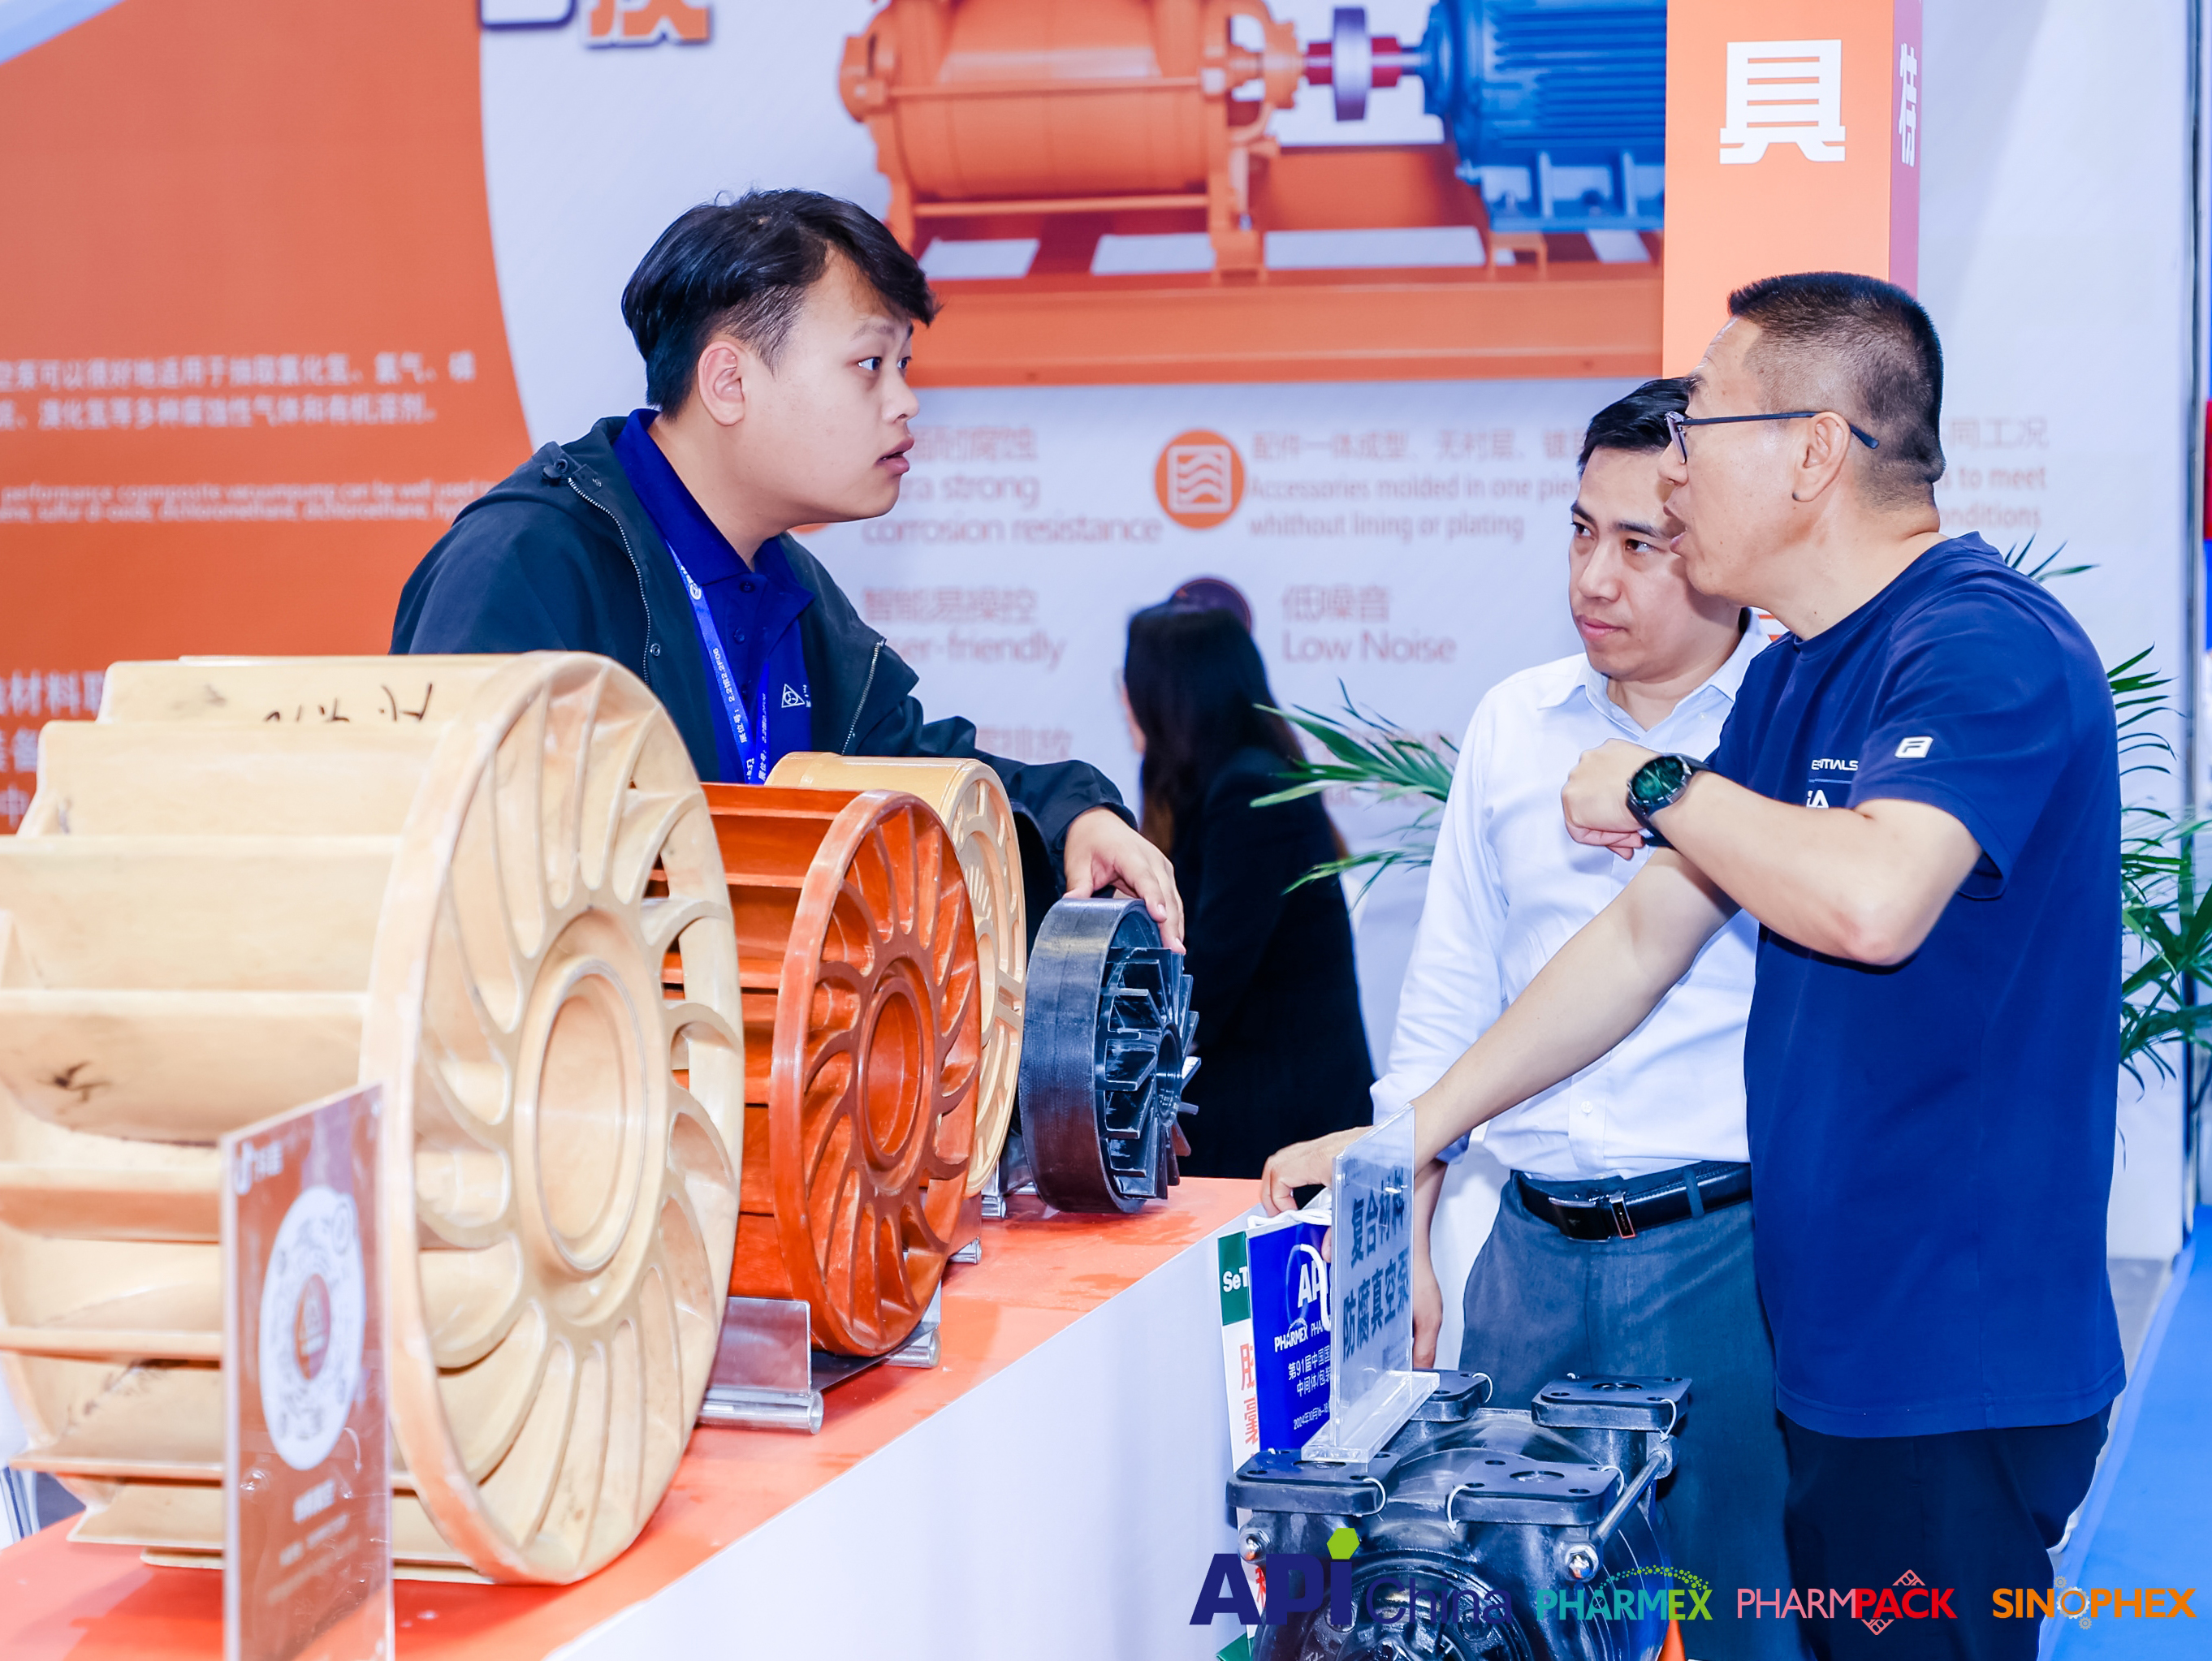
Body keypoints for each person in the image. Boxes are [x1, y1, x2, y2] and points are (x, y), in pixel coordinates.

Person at [1264, 273, 2122, 1661]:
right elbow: (1632, 942)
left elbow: (1873, 898)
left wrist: (1661, 780)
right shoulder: (1794, 676)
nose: (1673, 473)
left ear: (1812, 451)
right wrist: (1404, 1138)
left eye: (1698, 429)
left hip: (1951, 1360)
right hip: (1838, 1343)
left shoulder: (1978, 642)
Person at [391, 189, 1182, 945]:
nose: (905, 401)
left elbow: (903, 774)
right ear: (729, 382)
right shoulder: (530, 563)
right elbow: (448, 873)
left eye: (904, 365)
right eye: (870, 363)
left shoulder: (786, 584)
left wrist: (1073, 814)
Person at [1372, 378, 1791, 1659]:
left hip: (1729, 1260)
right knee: (1510, 1624)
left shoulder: (1793, 721)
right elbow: (1445, 1005)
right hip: (1528, 1262)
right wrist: (1408, 1236)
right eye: (1579, 531)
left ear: (1717, 537)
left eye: (1640, 543)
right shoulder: (1515, 723)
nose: (1593, 577)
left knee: (1748, 1621)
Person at [1121, 602, 1372, 1177]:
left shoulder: (1251, 793)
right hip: (1256, 1092)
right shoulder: (1221, 783)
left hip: (1280, 1113)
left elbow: (1209, 978)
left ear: (1168, 698)